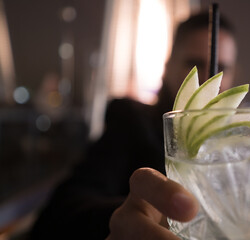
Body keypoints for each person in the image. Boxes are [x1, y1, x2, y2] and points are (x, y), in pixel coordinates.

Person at [29, 11, 237, 240]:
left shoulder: (239, 143)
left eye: (221, 69)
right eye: (195, 64)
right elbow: (61, 210)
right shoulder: (131, 121)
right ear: (167, 67)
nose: (209, 80)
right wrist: (126, 218)